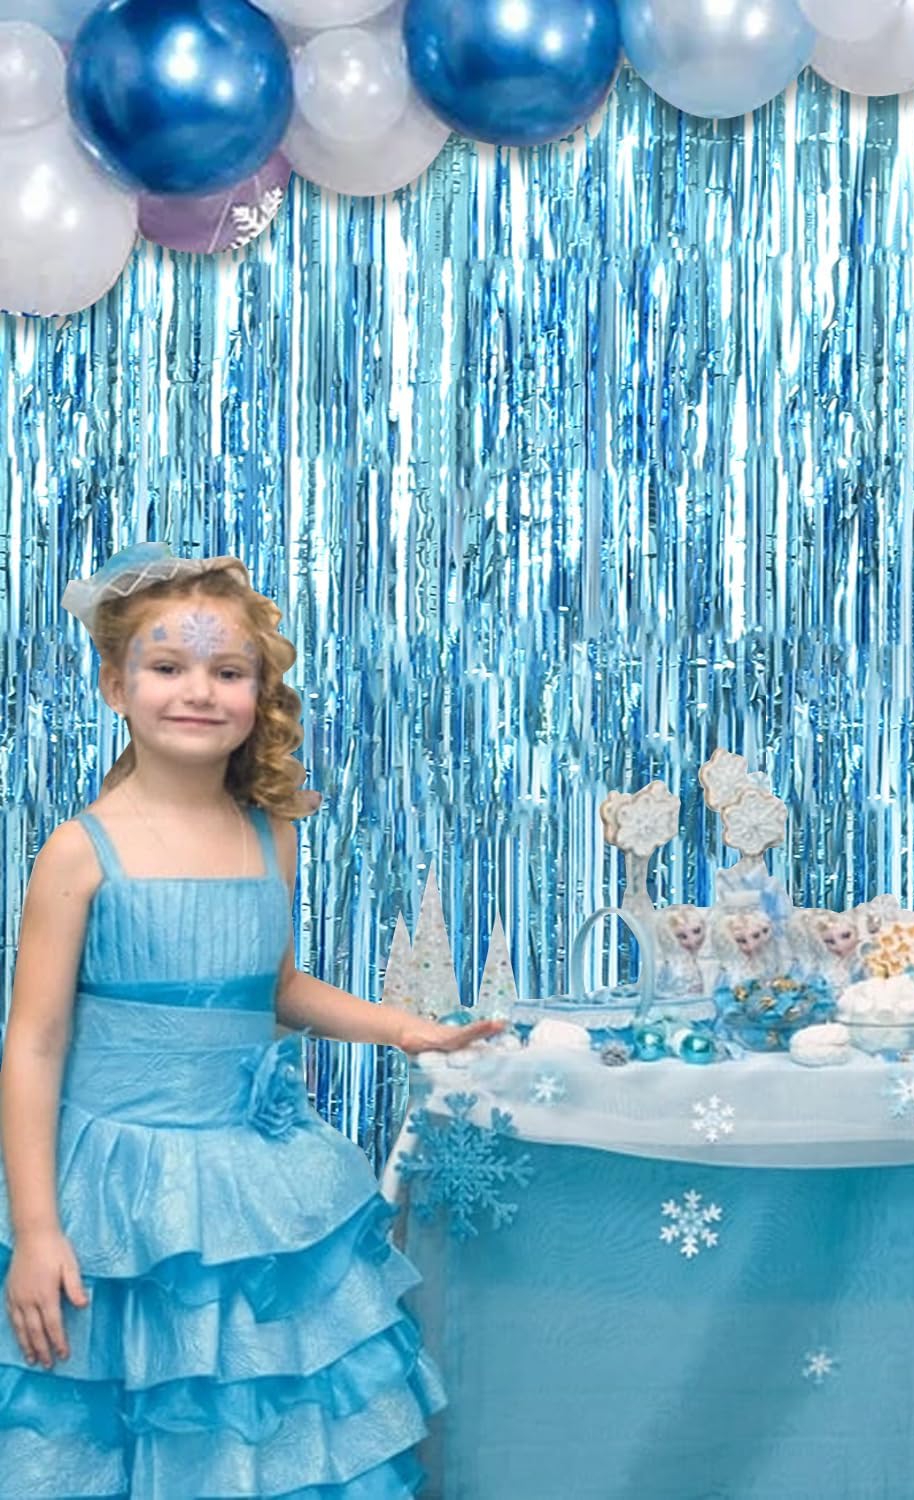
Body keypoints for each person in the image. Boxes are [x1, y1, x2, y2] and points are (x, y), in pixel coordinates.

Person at [0, 542, 500, 1496]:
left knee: (257, 1420)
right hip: (117, 1196)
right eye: (167, 667)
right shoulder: (80, 850)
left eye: (227, 672)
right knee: (114, 1426)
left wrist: (406, 1029)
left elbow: (274, 989)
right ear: (116, 686)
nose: (198, 691)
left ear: (258, 693)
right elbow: (34, 1042)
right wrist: (36, 1231)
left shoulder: (268, 832)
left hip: (250, 1182)